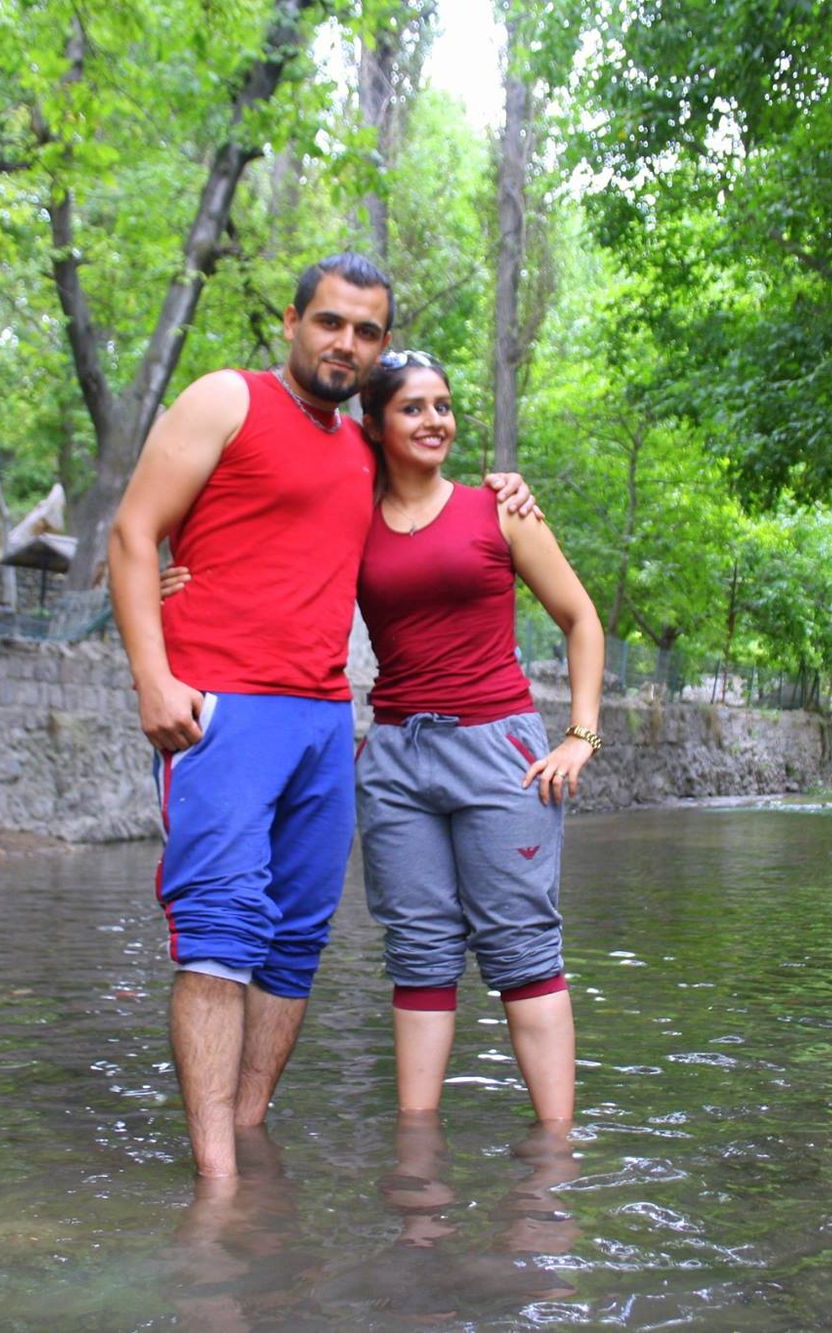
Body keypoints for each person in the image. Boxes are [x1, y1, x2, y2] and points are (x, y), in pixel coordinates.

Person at [106, 255, 534, 1179]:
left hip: (323, 720)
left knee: (295, 937)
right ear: (296, 321)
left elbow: (430, 493)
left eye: (367, 331)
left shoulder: (360, 450)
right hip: (221, 708)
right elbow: (134, 533)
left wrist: (509, 491)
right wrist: (151, 672)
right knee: (220, 932)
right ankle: (218, 1187)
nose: (347, 342)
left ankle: (251, 1145)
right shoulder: (228, 399)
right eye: (331, 322)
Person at [163, 349, 605, 1125]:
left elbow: (582, 618)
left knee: (522, 950)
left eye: (443, 405)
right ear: (375, 423)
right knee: (420, 955)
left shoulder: (499, 508)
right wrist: (179, 574)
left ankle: (556, 1161)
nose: (435, 420)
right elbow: (260, 550)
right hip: (396, 755)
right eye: (413, 408)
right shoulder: (350, 515)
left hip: (498, 748)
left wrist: (580, 736)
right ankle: (417, 1158)